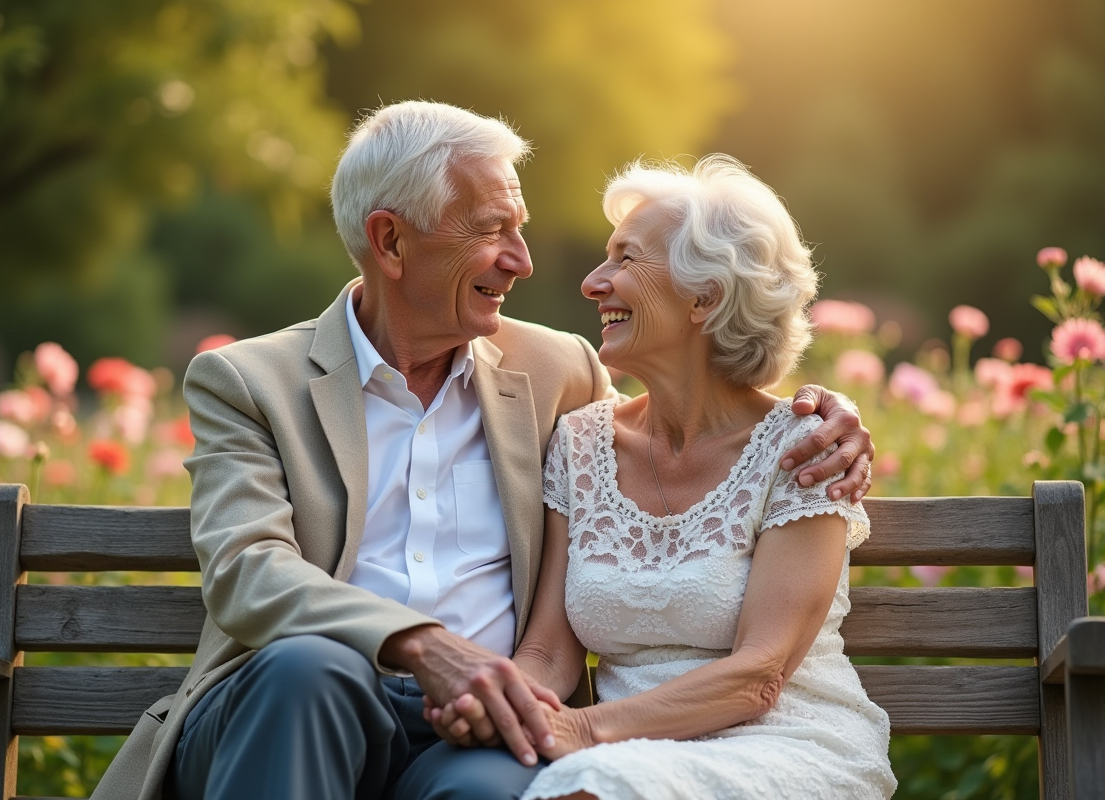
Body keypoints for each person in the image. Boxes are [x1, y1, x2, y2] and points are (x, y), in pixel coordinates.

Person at [89, 102, 875, 800]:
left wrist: (822, 412)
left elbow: (703, 417)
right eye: (493, 230)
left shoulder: (559, 372)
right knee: (309, 669)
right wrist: (421, 646)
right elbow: (249, 571)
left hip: (484, 722)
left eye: (520, 230)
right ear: (390, 241)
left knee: (509, 789)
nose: (525, 263)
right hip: (296, 704)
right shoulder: (249, 381)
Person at [431, 155, 897, 799]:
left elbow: (758, 676)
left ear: (705, 296)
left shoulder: (806, 447)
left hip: (785, 743)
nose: (594, 282)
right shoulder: (580, 441)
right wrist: (507, 702)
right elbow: (550, 651)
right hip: (626, 752)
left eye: (625, 259)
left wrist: (584, 731)